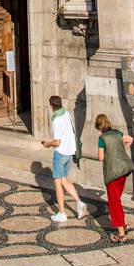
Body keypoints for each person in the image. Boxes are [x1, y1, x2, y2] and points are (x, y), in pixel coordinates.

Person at [40, 94, 86, 224]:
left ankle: (61, 213)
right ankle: (79, 203)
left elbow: (58, 142)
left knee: (57, 182)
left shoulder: (57, 120)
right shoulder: (66, 114)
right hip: (70, 152)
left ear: (51, 106)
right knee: (64, 180)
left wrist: (47, 143)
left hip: (60, 153)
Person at [95, 113, 134, 243]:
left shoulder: (102, 138)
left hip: (113, 173)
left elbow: (101, 157)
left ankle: (121, 234)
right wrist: (122, 150)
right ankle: (124, 223)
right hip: (124, 170)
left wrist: (110, 156)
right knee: (117, 199)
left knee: (113, 203)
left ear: (100, 127)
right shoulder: (117, 133)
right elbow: (130, 139)